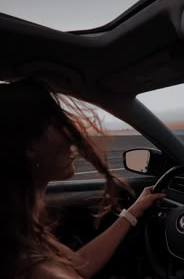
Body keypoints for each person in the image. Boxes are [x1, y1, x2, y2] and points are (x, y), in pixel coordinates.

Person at [0, 78, 165, 279]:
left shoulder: (20, 231)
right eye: (57, 124)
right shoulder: (38, 270)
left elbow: (80, 264)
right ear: (29, 145)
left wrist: (133, 212)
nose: (70, 136)